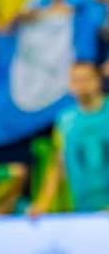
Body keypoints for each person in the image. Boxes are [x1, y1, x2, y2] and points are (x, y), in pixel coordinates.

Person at [30, 62, 109, 215]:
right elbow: (59, 164)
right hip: (82, 209)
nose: (81, 85)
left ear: (98, 80)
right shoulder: (65, 120)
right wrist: (42, 204)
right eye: (76, 80)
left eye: (86, 79)